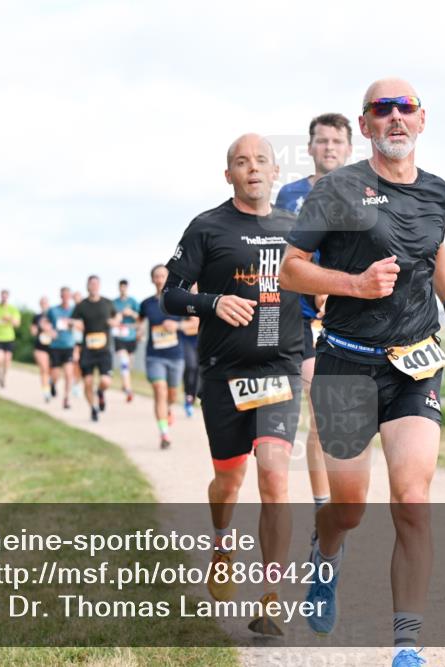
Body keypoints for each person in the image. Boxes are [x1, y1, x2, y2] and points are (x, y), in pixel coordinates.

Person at [278, 78, 445, 666]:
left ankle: (407, 646)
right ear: (364, 126)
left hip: (415, 363)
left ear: (422, 120)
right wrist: (354, 285)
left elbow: (435, 249)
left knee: (413, 500)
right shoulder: (338, 188)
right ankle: (327, 551)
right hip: (345, 362)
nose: (395, 117)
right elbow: (291, 270)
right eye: (381, 109)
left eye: (405, 108)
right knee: (349, 508)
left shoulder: (440, 192)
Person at [162, 133, 303, 637]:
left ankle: (271, 597)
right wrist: (213, 302)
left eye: (261, 160)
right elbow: (171, 295)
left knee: (275, 476)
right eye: (241, 162)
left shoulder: (296, 229)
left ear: (275, 171)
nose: (253, 168)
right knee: (229, 482)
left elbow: (318, 285)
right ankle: (222, 541)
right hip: (224, 374)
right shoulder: (207, 227)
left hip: (279, 370)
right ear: (229, 175)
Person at [276, 112, 354, 514]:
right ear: (309, 148)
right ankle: (324, 507)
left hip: (349, 314)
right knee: (320, 410)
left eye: (336, 142)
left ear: (349, 148)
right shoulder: (289, 195)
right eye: (321, 141)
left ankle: (342, 499)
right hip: (301, 316)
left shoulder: (363, 192)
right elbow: (278, 256)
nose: (329, 148)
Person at [139, 265, 188, 448]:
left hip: (176, 355)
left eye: (163, 276)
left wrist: (178, 327)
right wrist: (137, 332)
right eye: (156, 276)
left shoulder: (179, 301)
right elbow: (139, 322)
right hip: (154, 356)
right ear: (152, 280)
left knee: (172, 394)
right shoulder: (146, 304)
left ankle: (168, 409)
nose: (160, 279)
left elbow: (194, 324)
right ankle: (164, 434)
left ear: (168, 278)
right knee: (160, 390)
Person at [70, 276, 119, 422]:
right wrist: (74, 324)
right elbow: (72, 320)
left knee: (105, 381)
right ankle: (93, 408)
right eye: (91, 284)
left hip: (104, 350)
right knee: (88, 383)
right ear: (87, 286)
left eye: (96, 284)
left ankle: (101, 393)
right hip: (88, 350)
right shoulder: (81, 305)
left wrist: (115, 322)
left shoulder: (107, 303)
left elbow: (117, 317)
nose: (93, 286)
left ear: (99, 286)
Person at [47, 287, 77, 410]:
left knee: (69, 374)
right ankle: (52, 383)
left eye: (67, 295)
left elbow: (81, 324)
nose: (65, 297)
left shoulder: (74, 311)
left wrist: (73, 323)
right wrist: (49, 331)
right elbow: (44, 323)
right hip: (55, 346)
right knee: (56, 374)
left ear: (70, 297)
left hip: (69, 345)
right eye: (63, 295)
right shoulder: (53, 310)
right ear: (60, 296)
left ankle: (66, 399)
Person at [0, 289, 21, 388]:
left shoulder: (12, 309)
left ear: (8, 297)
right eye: (3, 296)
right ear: (0, 296)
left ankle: (3, 377)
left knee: (7, 359)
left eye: (6, 296)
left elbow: (17, 324)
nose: (4, 298)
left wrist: (9, 318)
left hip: (9, 337)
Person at [112, 279, 140, 403]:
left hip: (131, 336)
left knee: (129, 364)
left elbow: (140, 318)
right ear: (119, 288)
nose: (123, 289)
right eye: (121, 287)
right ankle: (128, 389)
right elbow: (111, 318)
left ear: (127, 288)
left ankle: (125, 383)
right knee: (123, 361)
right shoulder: (114, 303)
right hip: (119, 335)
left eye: (124, 287)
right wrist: (118, 317)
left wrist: (131, 313)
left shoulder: (133, 301)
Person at [180, 284, 201, 417]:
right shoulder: (182, 299)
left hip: (202, 340)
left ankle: (193, 397)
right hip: (187, 340)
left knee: (199, 370)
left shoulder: (206, 297)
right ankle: (188, 397)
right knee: (190, 367)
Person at [31, 296, 53, 402]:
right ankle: (46, 392)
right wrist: (37, 328)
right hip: (40, 346)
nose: (44, 305)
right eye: (42, 303)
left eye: (45, 303)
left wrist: (48, 329)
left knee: (52, 370)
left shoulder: (53, 316)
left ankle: (51, 384)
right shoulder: (37, 317)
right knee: (44, 368)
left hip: (53, 347)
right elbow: (33, 331)